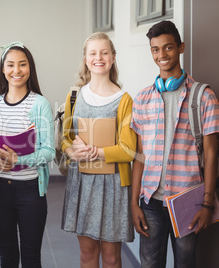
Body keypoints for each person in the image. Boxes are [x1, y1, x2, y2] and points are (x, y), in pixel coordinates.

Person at [131, 20, 219, 267]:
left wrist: (207, 203)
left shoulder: (204, 96)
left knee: (185, 263)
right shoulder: (142, 99)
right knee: (150, 264)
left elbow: (212, 154)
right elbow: (139, 155)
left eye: (168, 47)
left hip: (188, 201)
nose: (162, 54)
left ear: (180, 48)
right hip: (150, 202)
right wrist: (133, 204)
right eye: (155, 49)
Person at [60, 32, 137, 268]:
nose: (98, 58)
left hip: (113, 185)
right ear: (85, 59)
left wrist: (95, 151)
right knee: (87, 254)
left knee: (112, 258)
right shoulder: (74, 96)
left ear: (113, 58)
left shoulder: (125, 100)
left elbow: (128, 150)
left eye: (104, 52)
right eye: (93, 53)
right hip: (82, 182)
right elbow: (65, 138)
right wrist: (71, 152)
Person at [0, 41, 55, 268]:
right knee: (7, 257)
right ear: (3, 70)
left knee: (31, 258)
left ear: (30, 68)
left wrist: (19, 160)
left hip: (30, 191)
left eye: (22, 65)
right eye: (11, 65)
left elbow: (48, 151)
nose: (17, 70)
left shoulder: (40, 103)